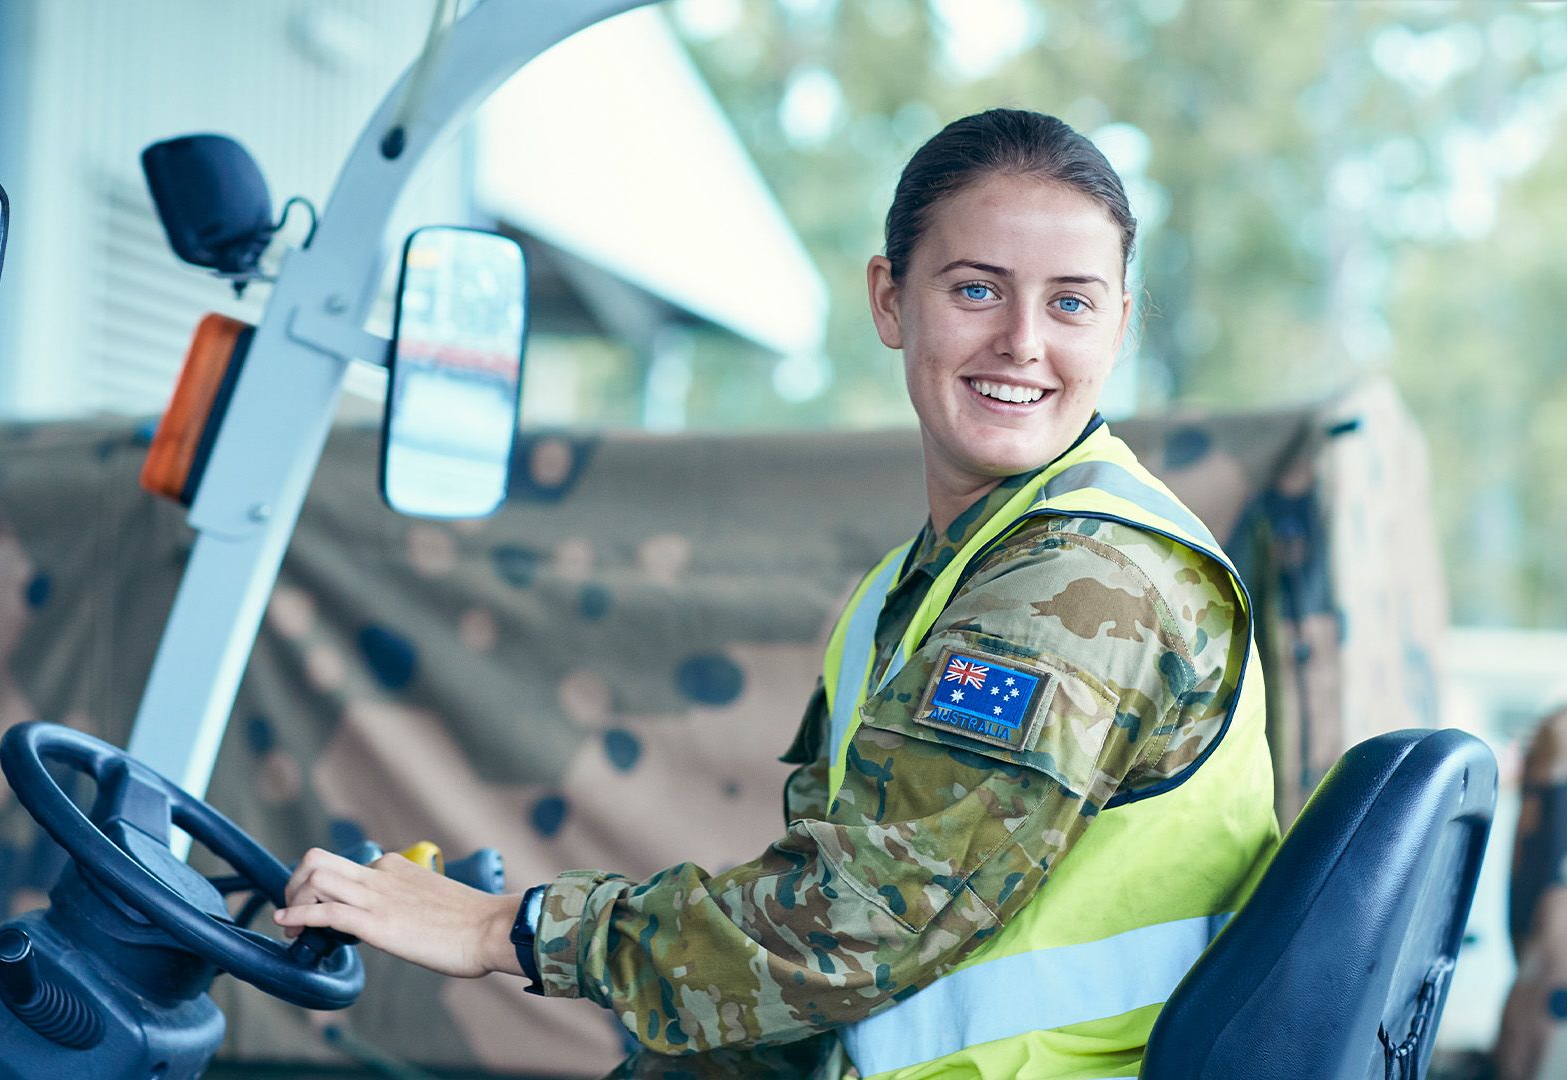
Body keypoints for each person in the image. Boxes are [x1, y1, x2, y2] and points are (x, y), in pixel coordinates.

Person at [275, 108, 1280, 1079]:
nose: (1023, 341)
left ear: (1117, 327)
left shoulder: (1085, 581)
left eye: (1070, 302)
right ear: (891, 300)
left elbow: (857, 922)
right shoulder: (932, 577)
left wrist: (504, 928)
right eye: (977, 290)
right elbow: (821, 966)